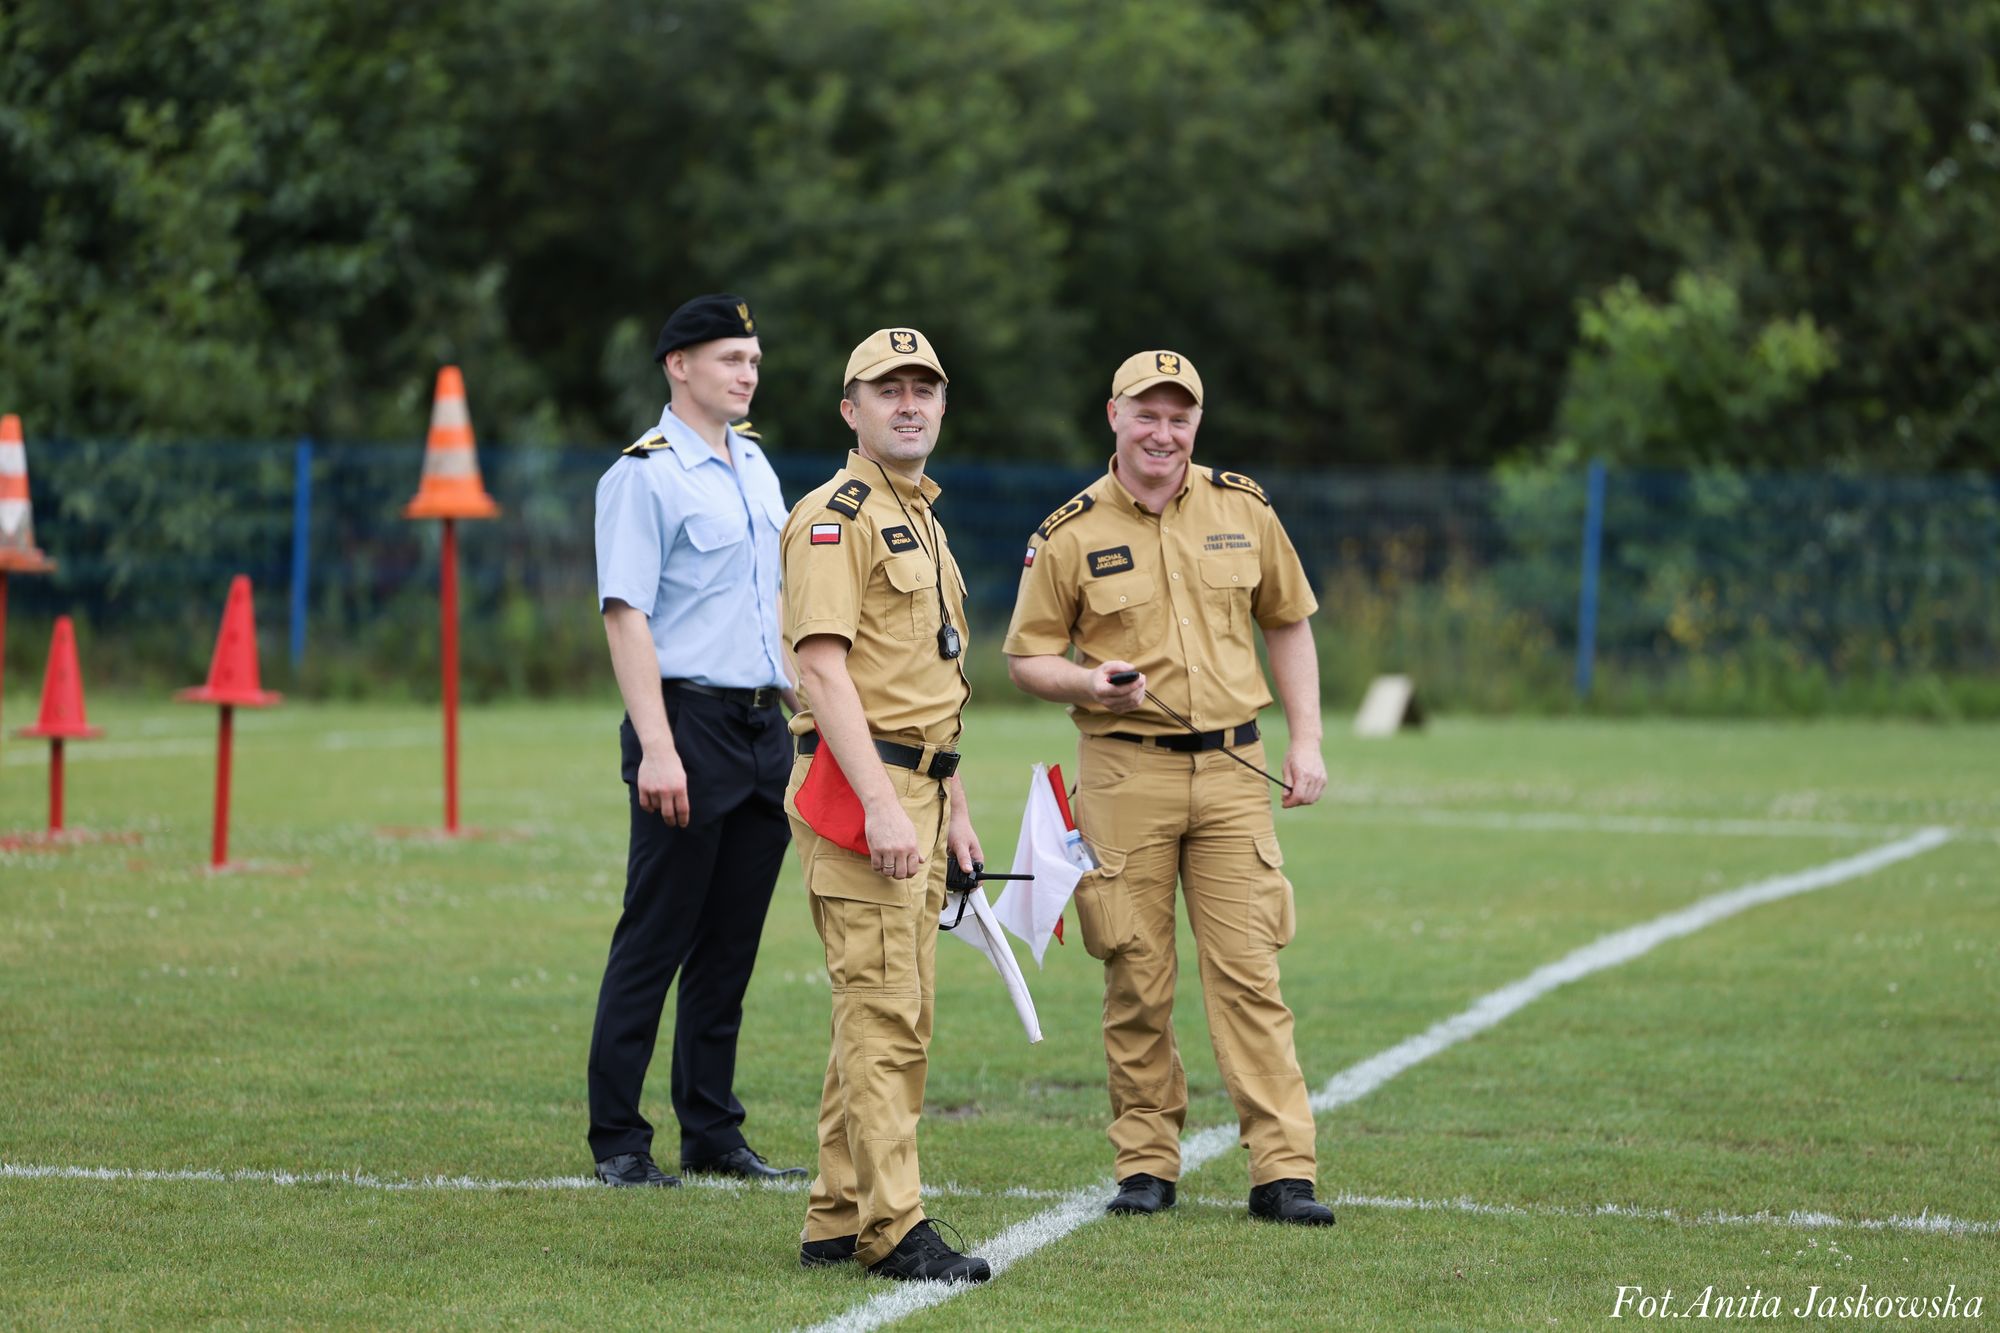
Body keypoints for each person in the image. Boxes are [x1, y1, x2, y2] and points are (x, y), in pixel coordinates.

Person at [1001, 349, 1336, 1226]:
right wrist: (1086, 683)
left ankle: (1283, 1170)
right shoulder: (1067, 532)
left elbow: (1289, 622)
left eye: (1178, 414)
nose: (1163, 430)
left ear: (1196, 421)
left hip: (1235, 771)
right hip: (1124, 769)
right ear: (1113, 415)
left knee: (1250, 973)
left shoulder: (1243, 507)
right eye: (1146, 413)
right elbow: (1026, 657)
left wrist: (1308, 740)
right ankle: (1147, 1164)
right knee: (1136, 976)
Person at [780, 327, 992, 1282]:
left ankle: (837, 1214)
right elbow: (822, 671)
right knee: (885, 1016)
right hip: (867, 789)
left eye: (924, 388)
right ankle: (894, 1226)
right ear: (850, 409)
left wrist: (956, 805)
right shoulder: (837, 516)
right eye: (888, 389)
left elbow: (925, 681)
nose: (909, 403)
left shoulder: (923, 518)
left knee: (879, 1012)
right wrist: (883, 804)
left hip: (921, 788)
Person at [586, 292, 807, 1189]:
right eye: (729, 358)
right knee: (657, 936)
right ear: (678, 366)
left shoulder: (754, 466)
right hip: (686, 721)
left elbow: (781, 608)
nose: (747, 373)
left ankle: (712, 1131)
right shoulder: (643, 474)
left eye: (752, 359)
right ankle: (619, 1141)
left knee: (731, 945)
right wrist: (659, 746)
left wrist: (807, 714)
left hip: (761, 724)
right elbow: (625, 614)